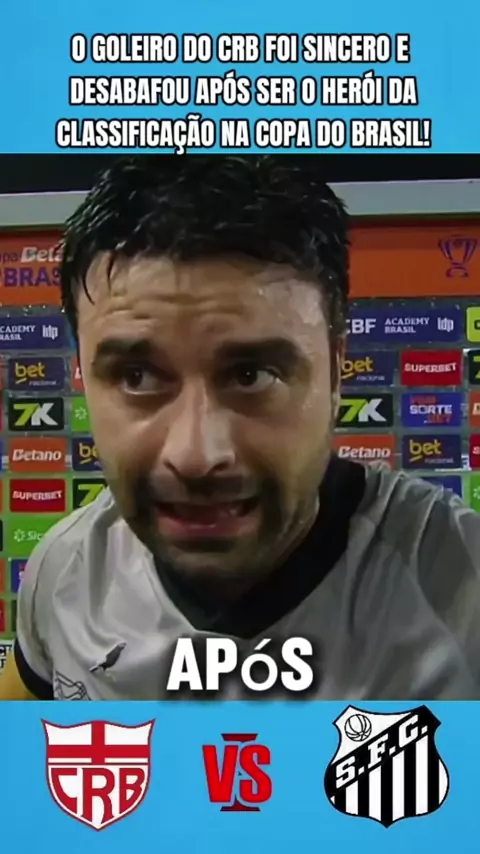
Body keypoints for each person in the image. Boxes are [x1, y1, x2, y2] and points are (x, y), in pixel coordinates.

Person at [1, 154, 480, 702]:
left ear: (335, 370)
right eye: (137, 377)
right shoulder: (65, 570)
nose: (196, 454)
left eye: (251, 375)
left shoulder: (464, 583)